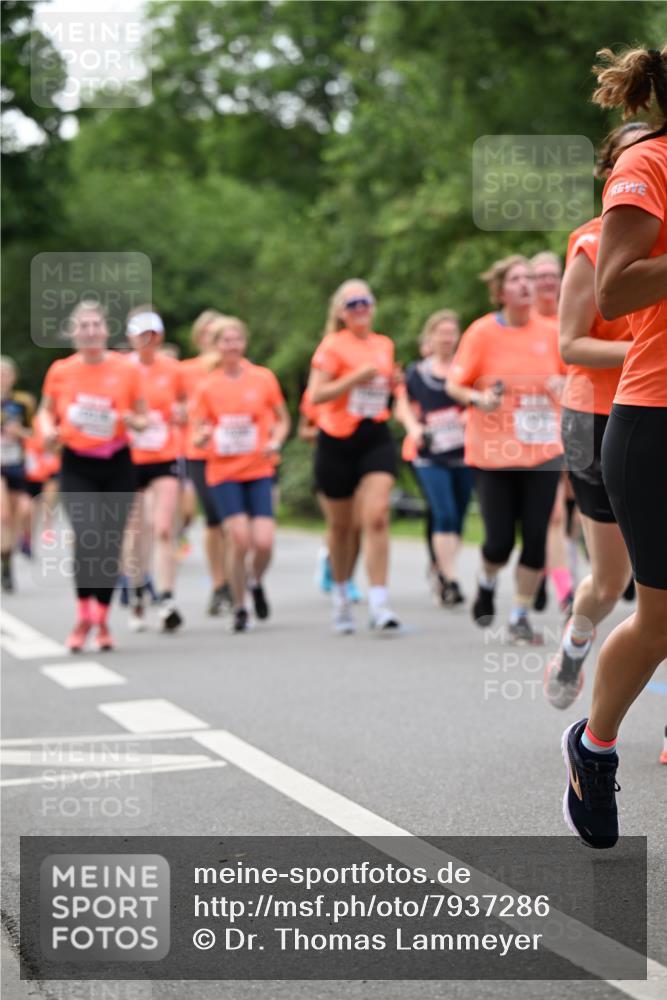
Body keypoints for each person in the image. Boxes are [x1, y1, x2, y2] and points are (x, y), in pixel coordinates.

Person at [562, 44, 667, 849]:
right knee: (657, 618)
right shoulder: (647, 166)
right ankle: (593, 748)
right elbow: (616, 287)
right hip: (653, 415)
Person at [544, 121, 651, 710]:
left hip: (655, 412)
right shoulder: (591, 244)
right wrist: (649, 353)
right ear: (612, 173)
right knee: (610, 585)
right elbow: (571, 345)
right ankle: (576, 644)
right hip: (599, 419)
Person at [446, 256, 565, 643]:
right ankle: (486, 580)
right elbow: (455, 384)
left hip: (542, 450)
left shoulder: (552, 331)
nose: (527, 285)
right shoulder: (481, 333)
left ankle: (519, 614)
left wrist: (564, 388)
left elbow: (574, 378)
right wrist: (478, 398)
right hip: (493, 452)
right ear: (500, 291)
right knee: (499, 542)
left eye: (530, 278)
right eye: (516, 279)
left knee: (535, 538)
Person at [38, 301, 145, 651]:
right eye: (82, 326)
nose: (90, 331)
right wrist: (47, 431)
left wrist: (134, 422)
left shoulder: (125, 369)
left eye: (95, 324)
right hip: (77, 462)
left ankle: (101, 617)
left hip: (117, 462)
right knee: (87, 536)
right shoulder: (61, 371)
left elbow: (144, 416)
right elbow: (44, 413)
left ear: (105, 329)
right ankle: (83, 612)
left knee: (110, 544)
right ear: (73, 333)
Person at [307, 279, 404, 634]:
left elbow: (384, 392)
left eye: (365, 301)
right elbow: (317, 395)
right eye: (353, 304)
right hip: (336, 439)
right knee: (341, 527)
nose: (360, 308)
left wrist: (391, 384)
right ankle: (342, 596)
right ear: (340, 312)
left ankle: (380, 602)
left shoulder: (384, 345)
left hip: (374, 435)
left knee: (377, 516)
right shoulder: (332, 346)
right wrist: (355, 378)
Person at [193, 315, 290, 633]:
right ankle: (239, 605)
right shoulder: (207, 386)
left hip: (259, 468)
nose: (232, 345)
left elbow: (282, 419)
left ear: (244, 343)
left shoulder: (262, 378)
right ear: (216, 347)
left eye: (237, 339)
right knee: (239, 538)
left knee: (263, 542)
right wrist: (203, 436)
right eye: (225, 341)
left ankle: (254, 581)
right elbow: (196, 432)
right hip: (223, 472)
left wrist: (275, 440)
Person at [396, 310, 473, 606]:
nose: (446, 338)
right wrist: (414, 428)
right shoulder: (417, 372)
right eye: (440, 333)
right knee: (443, 513)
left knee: (460, 514)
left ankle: (440, 569)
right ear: (430, 337)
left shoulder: (466, 371)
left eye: (451, 332)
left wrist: (469, 415)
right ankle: (450, 577)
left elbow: (481, 399)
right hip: (428, 455)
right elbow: (401, 403)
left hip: (463, 453)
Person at [123, 306, 187, 633]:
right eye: (142, 335)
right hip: (130, 458)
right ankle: (136, 594)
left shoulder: (174, 370)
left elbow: (190, 403)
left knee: (163, 527)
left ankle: (166, 598)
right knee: (136, 533)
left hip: (164, 456)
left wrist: (182, 410)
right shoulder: (121, 369)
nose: (148, 341)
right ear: (131, 338)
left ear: (160, 336)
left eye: (154, 335)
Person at [530, 252, 575, 615]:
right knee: (553, 513)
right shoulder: (522, 324)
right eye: (539, 275)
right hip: (535, 431)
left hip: (576, 419)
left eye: (552, 274)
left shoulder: (572, 310)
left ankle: (554, 569)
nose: (547, 281)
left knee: (578, 508)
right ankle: (562, 586)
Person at [180, 310, 232, 616]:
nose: (214, 340)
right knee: (215, 517)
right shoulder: (185, 371)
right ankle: (218, 583)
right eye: (208, 334)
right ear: (200, 339)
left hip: (236, 455)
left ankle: (235, 577)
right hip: (200, 453)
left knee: (235, 521)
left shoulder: (234, 368)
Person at [298, 387, 362, 602]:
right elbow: (303, 431)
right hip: (329, 464)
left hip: (358, 464)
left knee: (357, 526)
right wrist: (330, 431)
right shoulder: (317, 394)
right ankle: (330, 561)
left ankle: (347, 577)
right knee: (339, 523)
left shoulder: (361, 388)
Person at [1, 357, 35, 592]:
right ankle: (7, 570)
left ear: (13, 377)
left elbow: (35, 433)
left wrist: (19, 432)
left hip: (16, 465)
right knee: (3, 515)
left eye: (6, 374)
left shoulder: (23, 403)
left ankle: (6, 558)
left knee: (23, 510)